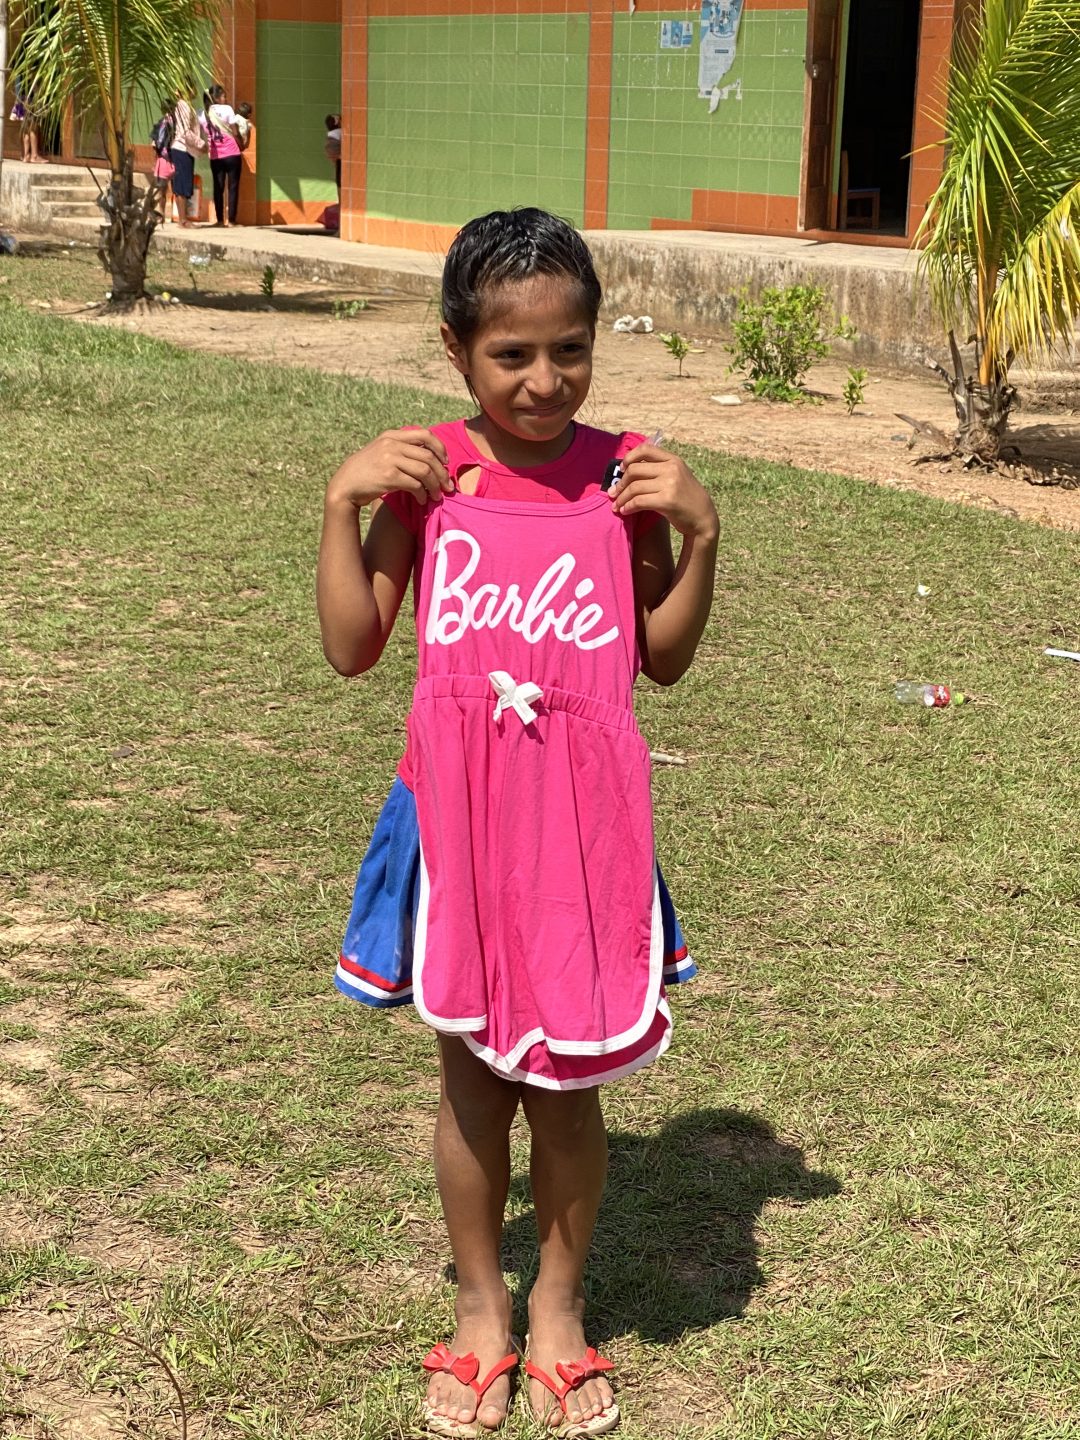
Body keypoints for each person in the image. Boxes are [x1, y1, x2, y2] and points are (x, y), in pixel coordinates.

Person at [317, 208, 718, 1438]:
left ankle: (557, 1305)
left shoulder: (626, 478)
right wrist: (342, 503)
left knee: (568, 1093)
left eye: (571, 350)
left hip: (583, 834)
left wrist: (699, 534)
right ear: (456, 350)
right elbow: (351, 646)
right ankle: (481, 1306)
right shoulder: (428, 476)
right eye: (511, 355)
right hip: (460, 826)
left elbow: (662, 660)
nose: (544, 381)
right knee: (474, 1084)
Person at [202, 84, 243, 227]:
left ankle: (219, 220)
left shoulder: (204, 113)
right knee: (233, 187)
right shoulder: (227, 109)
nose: (226, 98)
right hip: (232, 153)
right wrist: (241, 144)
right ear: (217, 98)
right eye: (224, 96)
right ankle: (231, 220)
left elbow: (205, 133)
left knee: (218, 188)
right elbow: (235, 132)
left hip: (215, 156)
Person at [167, 87, 204, 227]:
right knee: (182, 185)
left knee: (181, 185)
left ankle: (182, 219)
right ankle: (183, 220)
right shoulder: (184, 106)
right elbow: (186, 132)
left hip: (182, 148)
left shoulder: (182, 105)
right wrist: (200, 144)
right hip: (183, 148)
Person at [324, 112, 342, 197]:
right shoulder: (339, 132)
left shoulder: (332, 133)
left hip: (335, 155)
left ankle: (341, 199)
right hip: (337, 155)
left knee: (339, 178)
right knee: (340, 178)